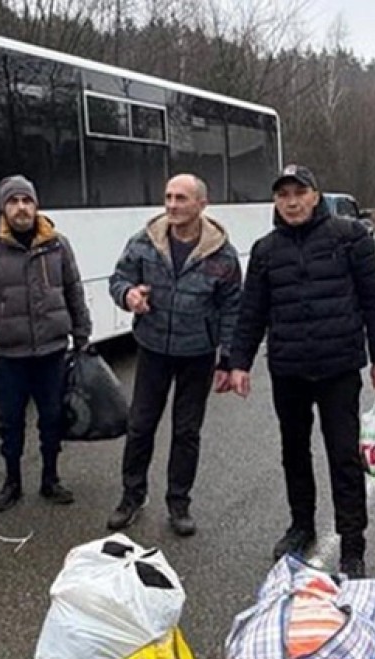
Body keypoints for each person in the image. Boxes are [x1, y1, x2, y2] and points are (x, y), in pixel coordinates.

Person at [228, 165, 375, 579]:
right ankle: (301, 526)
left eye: (299, 192)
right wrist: (239, 363)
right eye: (283, 194)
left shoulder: (350, 237)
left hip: (338, 368)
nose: (292, 201)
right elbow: (252, 312)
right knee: (294, 453)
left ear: (315, 196)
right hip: (289, 370)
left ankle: (352, 544)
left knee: (343, 456)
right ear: (276, 201)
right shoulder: (265, 251)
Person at [106, 174, 242, 536]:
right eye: (168, 197)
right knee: (140, 426)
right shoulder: (144, 242)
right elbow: (118, 279)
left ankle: (179, 503)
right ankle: (132, 497)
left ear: (202, 204)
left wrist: (228, 360)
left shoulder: (222, 254)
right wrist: (128, 296)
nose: (172, 205)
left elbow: (232, 309)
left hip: (197, 353)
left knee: (186, 431)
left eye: (181, 198)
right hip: (152, 349)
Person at [0, 175, 93, 512]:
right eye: (13, 201)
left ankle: (51, 478)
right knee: (10, 422)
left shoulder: (57, 244)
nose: (21, 207)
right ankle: (12, 482)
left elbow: (73, 289)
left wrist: (82, 332)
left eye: (27, 201)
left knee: (52, 417)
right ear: (3, 207)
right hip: (10, 353)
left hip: (51, 351)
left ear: (36, 205)